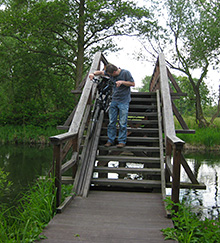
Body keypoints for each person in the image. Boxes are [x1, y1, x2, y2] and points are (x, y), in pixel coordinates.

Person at [89, 63, 135, 148]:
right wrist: (93, 74)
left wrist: (122, 82)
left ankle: (121, 141)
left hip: (124, 101)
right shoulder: (110, 73)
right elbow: (101, 73)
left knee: (122, 122)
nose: (110, 76)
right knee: (111, 121)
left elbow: (132, 83)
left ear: (114, 71)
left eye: (111, 75)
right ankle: (110, 140)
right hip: (114, 100)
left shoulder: (125, 73)